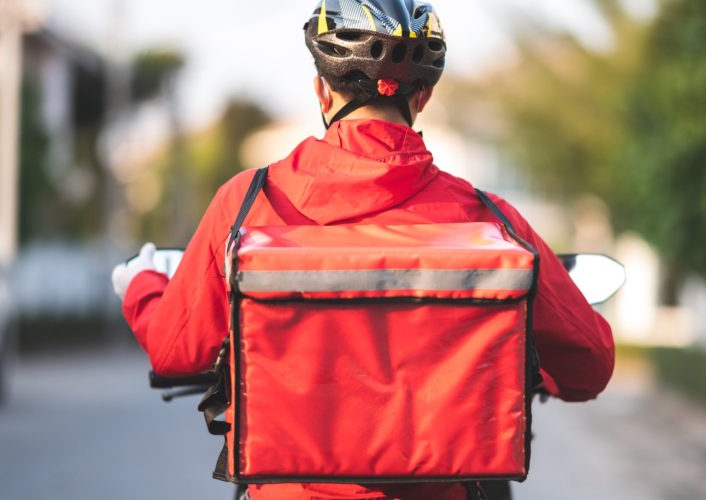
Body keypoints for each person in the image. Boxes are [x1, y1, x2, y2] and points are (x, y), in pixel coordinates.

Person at [111, 1, 615, 499]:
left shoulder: (247, 204)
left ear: (321, 92)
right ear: (424, 97)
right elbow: (589, 366)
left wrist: (141, 285)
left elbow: (176, 352)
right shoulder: (490, 218)